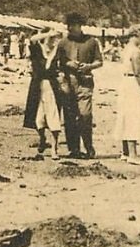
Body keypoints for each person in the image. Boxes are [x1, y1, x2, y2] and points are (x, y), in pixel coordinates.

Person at [54, 12, 103, 159]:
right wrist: (68, 63)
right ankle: (73, 149)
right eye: (68, 25)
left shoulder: (92, 42)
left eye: (72, 25)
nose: (69, 28)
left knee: (85, 116)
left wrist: (88, 66)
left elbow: (99, 61)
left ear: (79, 25)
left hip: (85, 83)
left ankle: (88, 147)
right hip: (68, 83)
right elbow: (58, 61)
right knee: (69, 117)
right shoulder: (63, 42)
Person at [114, 27, 140, 165]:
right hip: (133, 85)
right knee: (133, 116)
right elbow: (137, 73)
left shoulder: (126, 49)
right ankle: (133, 155)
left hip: (125, 83)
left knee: (125, 115)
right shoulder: (135, 51)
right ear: (136, 35)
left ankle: (125, 152)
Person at [23, 29, 63, 159]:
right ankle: (42, 138)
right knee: (38, 118)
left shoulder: (57, 51)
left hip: (52, 88)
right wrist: (48, 33)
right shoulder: (37, 50)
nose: (52, 41)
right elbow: (32, 39)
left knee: (54, 117)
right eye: (50, 39)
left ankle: (54, 149)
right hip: (37, 88)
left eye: (54, 39)